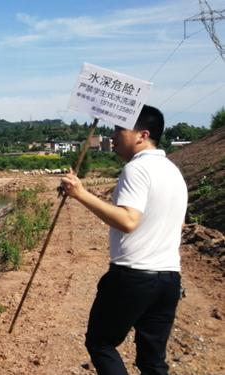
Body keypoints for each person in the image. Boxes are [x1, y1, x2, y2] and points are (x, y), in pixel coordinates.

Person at [60, 105, 187, 375]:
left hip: (134, 276)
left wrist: (80, 194)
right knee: (152, 361)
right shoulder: (173, 172)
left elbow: (128, 221)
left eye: (120, 129)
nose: (113, 136)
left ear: (142, 135)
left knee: (101, 342)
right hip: (169, 278)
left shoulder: (137, 170)